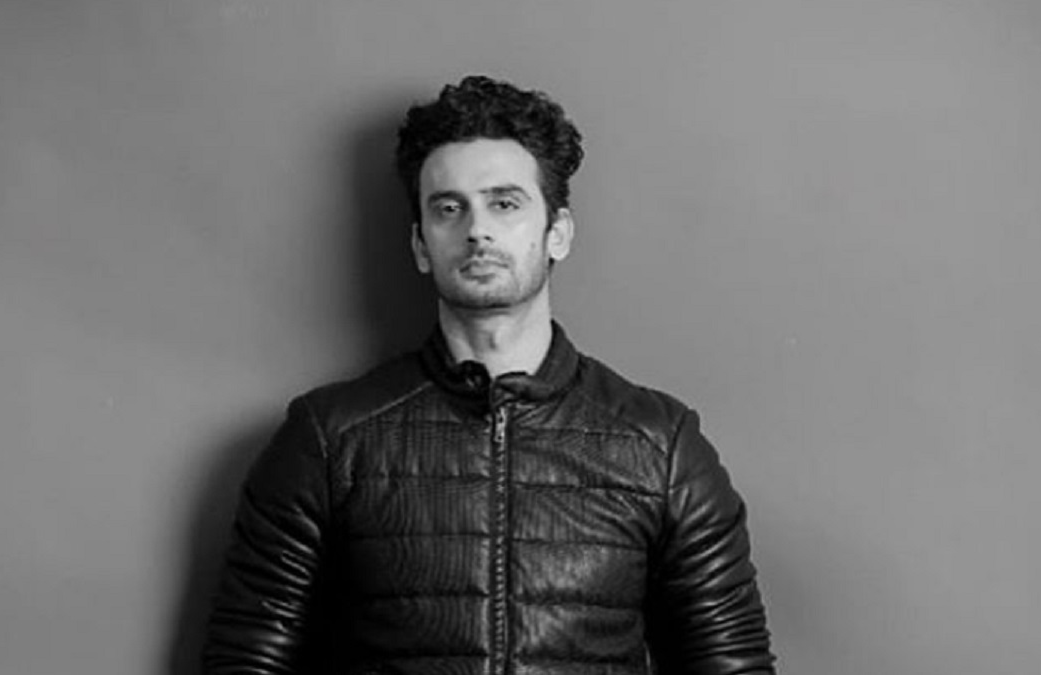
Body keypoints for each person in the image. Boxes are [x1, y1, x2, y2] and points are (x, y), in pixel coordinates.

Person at [202, 75, 776, 675]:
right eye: (449, 208)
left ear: (558, 233)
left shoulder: (661, 446)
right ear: (421, 245)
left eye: (504, 203)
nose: (476, 229)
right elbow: (244, 662)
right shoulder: (327, 439)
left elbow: (733, 667)